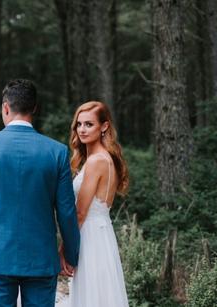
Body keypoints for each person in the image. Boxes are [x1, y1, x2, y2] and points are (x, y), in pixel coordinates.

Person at [0, 79, 80, 307]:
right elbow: (66, 210)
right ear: (34, 108)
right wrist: (71, 254)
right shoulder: (56, 152)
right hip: (41, 258)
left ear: (6, 107)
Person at [67, 101, 129, 307]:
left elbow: (80, 212)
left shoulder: (96, 161)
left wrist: (65, 248)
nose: (82, 129)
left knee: (91, 296)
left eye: (89, 124)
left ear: (104, 126)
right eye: (79, 124)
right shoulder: (104, 158)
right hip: (101, 233)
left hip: (89, 235)